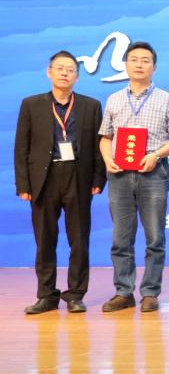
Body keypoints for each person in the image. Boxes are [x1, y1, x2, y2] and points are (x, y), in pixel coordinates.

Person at [14, 51, 106, 314]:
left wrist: (98, 178)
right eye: (59, 68)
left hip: (78, 177)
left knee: (79, 239)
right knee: (44, 240)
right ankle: (47, 295)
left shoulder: (91, 106)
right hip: (43, 179)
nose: (64, 73)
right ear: (49, 72)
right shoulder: (31, 104)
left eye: (70, 69)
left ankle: (76, 294)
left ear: (77, 76)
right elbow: (21, 147)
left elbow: (99, 146)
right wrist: (23, 184)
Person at [98, 41, 169, 313]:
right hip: (120, 175)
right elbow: (105, 137)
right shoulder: (114, 99)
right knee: (121, 238)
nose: (139, 64)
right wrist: (108, 158)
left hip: (153, 172)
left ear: (154, 67)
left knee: (155, 237)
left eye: (145, 60)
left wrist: (155, 155)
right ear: (125, 64)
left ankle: (150, 293)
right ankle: (123, 292)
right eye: (134, 59)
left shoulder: (167, 99)